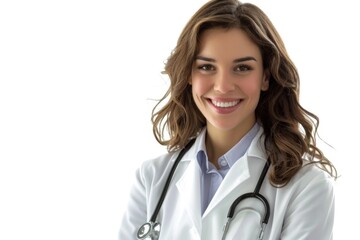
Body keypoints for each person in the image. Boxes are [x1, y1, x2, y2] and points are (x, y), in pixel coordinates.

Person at [118, 0, 337, 239]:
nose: (222, 87)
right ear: (188, 74)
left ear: (266, 77)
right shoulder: (151, 178)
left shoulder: (307, 186)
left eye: (242, 68)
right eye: (206, 67)